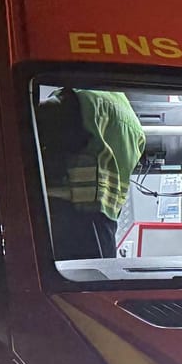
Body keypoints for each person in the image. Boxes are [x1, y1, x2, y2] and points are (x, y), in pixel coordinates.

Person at [36, 87, 144, 257]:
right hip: (104, 229)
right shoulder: (132, 122)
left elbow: (26, 126)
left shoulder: (80, 100)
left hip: (65, 219)